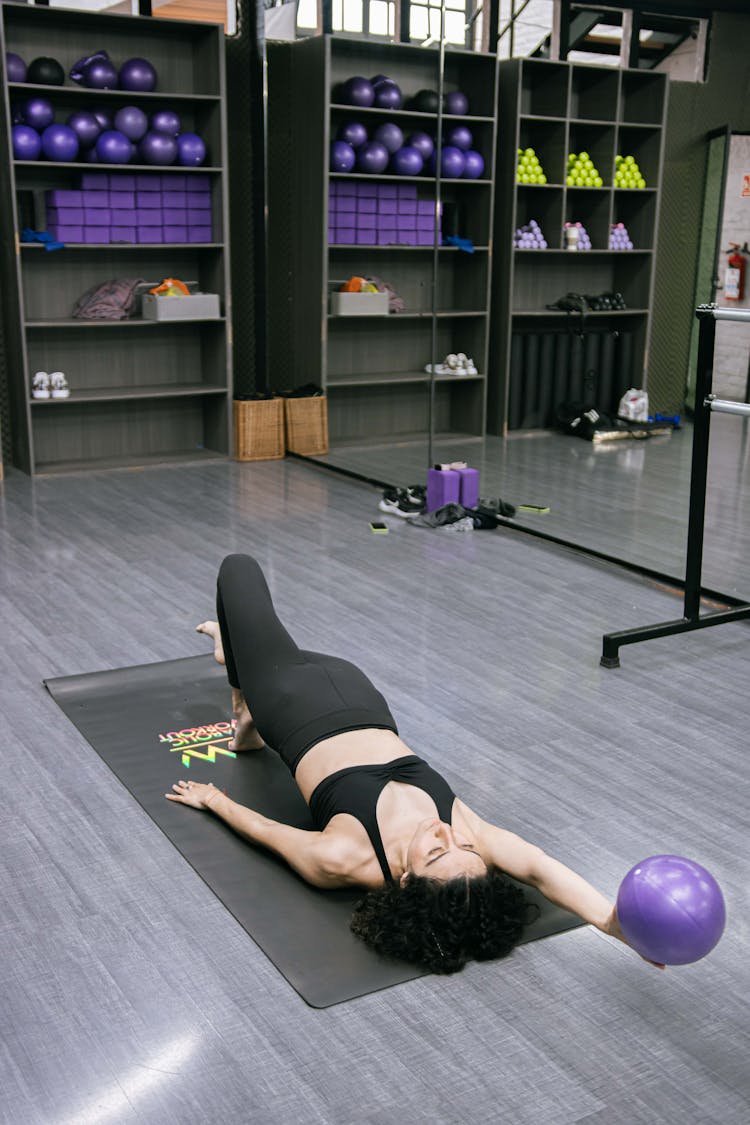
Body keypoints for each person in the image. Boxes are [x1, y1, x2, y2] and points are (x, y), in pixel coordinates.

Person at [167, 554, 663, 974]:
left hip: (286, 700)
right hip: (356, 691)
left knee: (239, 570)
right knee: (259, 643)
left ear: (406, 880)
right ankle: (234, 662)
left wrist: (213, 799)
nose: (445, 832)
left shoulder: (346, 859)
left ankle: (242, 693)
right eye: (462, 844)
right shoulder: (469, 843)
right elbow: (538, 868)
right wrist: (608, 921)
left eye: (434, 851)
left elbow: (266, 832)